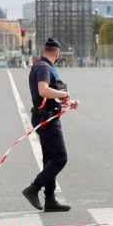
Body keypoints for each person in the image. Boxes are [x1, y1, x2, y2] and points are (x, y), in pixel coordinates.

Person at [21, 37, 77, 212]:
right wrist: (64, 93)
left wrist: (66, 100)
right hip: (47, 118)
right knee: (60, 157)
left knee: (50, 159)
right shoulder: (45, 67)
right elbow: (43, 90)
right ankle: (34, 188)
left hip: (44, 115)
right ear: (57, 52)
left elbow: (47, 95)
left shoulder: (40, 65)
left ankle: (50, 200)